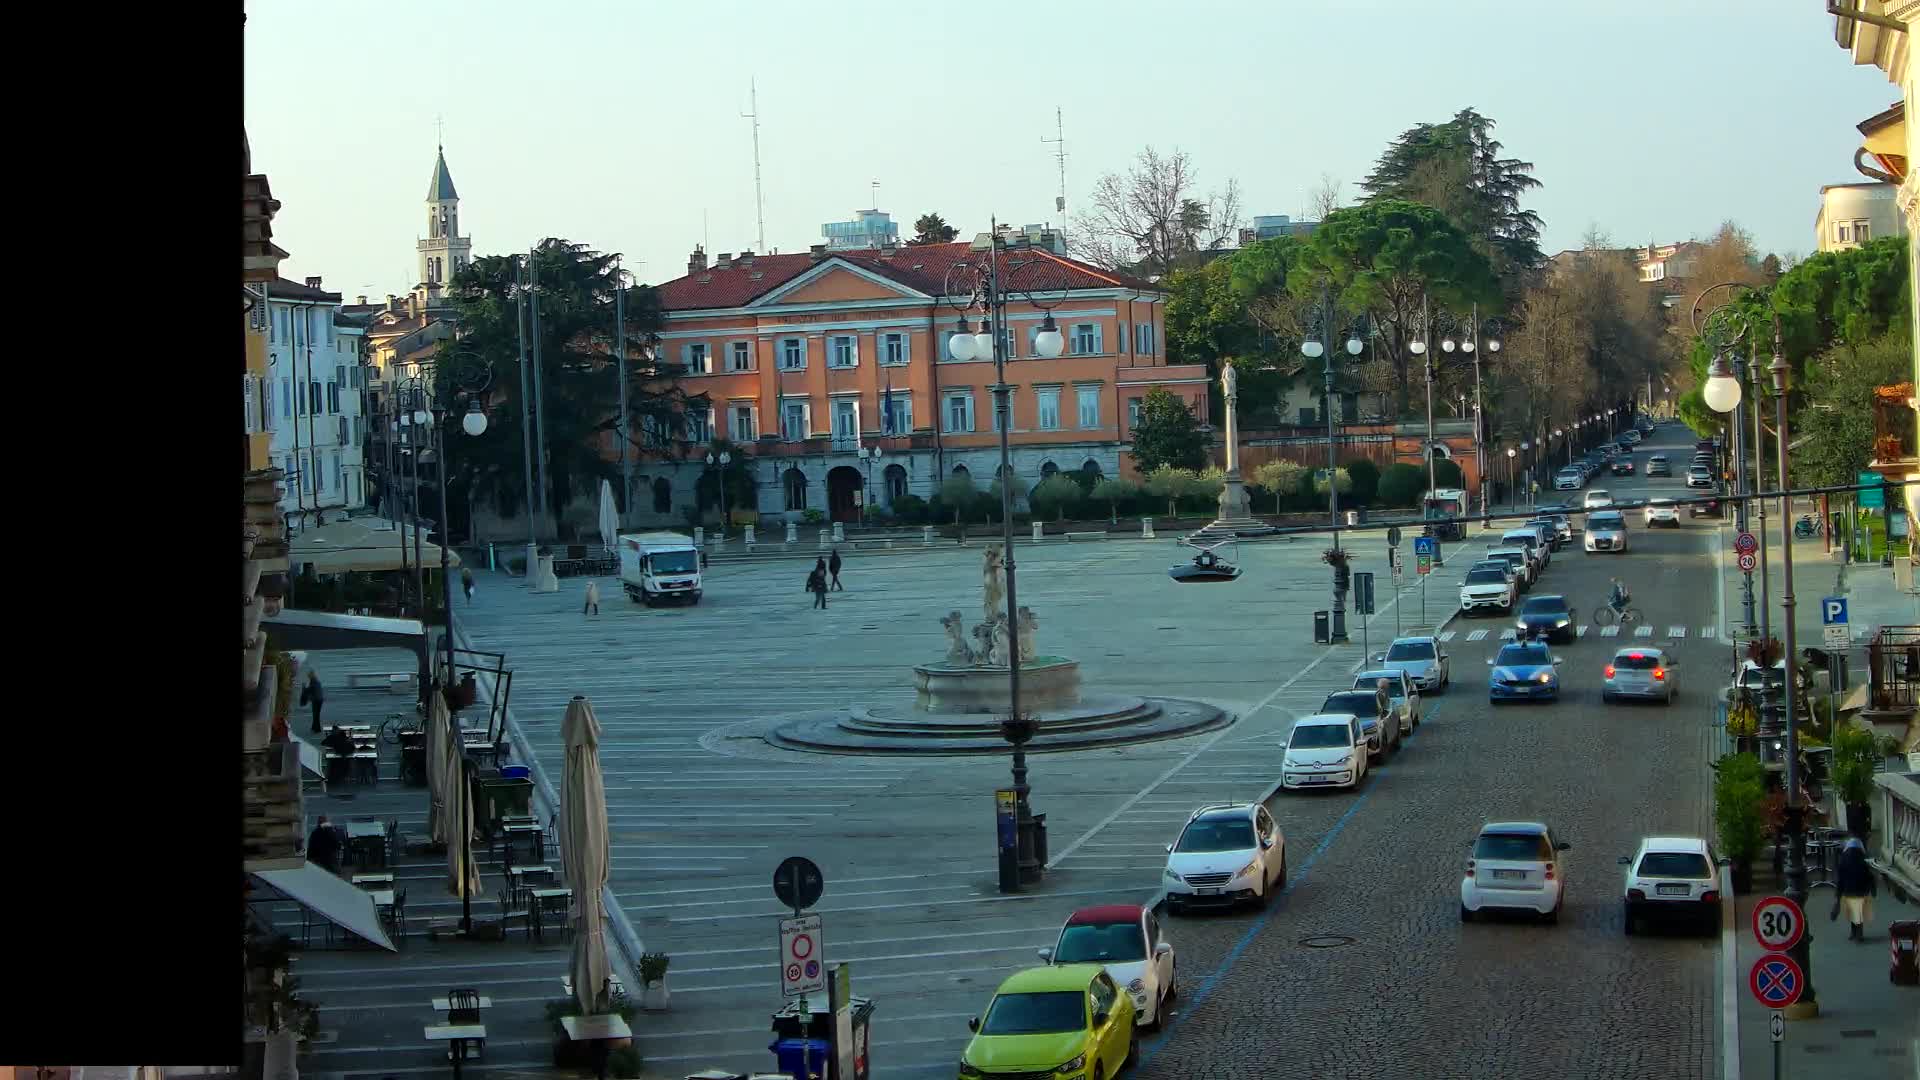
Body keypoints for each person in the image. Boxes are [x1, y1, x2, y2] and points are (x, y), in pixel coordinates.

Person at [1834, 834, 1877, 941]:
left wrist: (1838, 895)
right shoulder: (1863, 859)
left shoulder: (1843, 860)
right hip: (1861, 888)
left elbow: (1840, 879)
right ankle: (1858, 933)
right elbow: (1870, 875)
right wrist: (1873, 889)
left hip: (1848, 889)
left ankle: (1854, 933)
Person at [300, 670, 326, 734]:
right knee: (316, 714)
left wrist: (303, 688)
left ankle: (317, 729)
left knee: (316, 715)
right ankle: (314, 727)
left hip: (316, 700)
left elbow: (309, 690)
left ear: (310, 676)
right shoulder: (317, 681)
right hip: (319, 700)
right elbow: (313, 690)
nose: (308, 677)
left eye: (309, 676)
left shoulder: (313, 681)